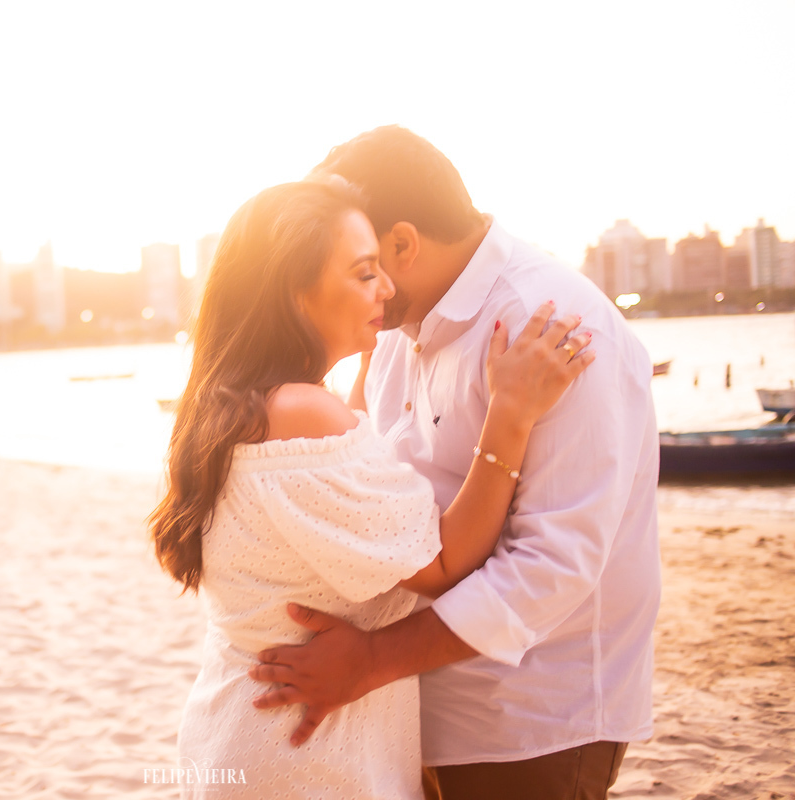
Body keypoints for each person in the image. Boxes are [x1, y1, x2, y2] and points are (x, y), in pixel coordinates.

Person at [248, 126, 661, 800]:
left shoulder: (550, 324)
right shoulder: (390, 332)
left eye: (358, 259)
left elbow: (555, 565)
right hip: (401, 712)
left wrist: (374, 659)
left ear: (404, 244)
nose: (354, 280)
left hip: (528, 726)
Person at [149, 178, 593, 798]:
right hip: (307, 758)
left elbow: (353, 460)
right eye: (363, 274)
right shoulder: (303, 415)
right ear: (294, 293)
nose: (386, 286)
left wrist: (365, 359)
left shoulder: (229, 410)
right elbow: (440, 562)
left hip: (245, 731)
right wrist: (511, 414)